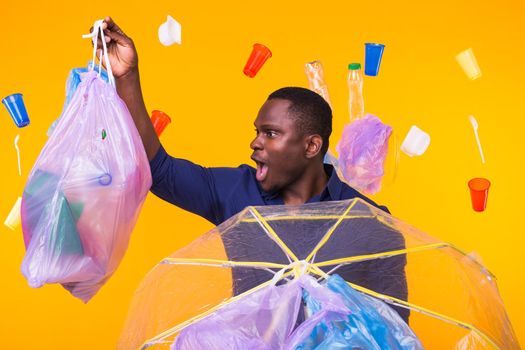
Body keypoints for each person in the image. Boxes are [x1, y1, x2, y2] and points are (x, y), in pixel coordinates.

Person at [93, 17, 409, 323]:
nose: (255, 143)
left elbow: (394, 330)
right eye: (257, 131)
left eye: (270, 133)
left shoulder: (370, 222)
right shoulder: (235, 192)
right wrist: (127, 77)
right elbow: (159, 170)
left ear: (311, 147)